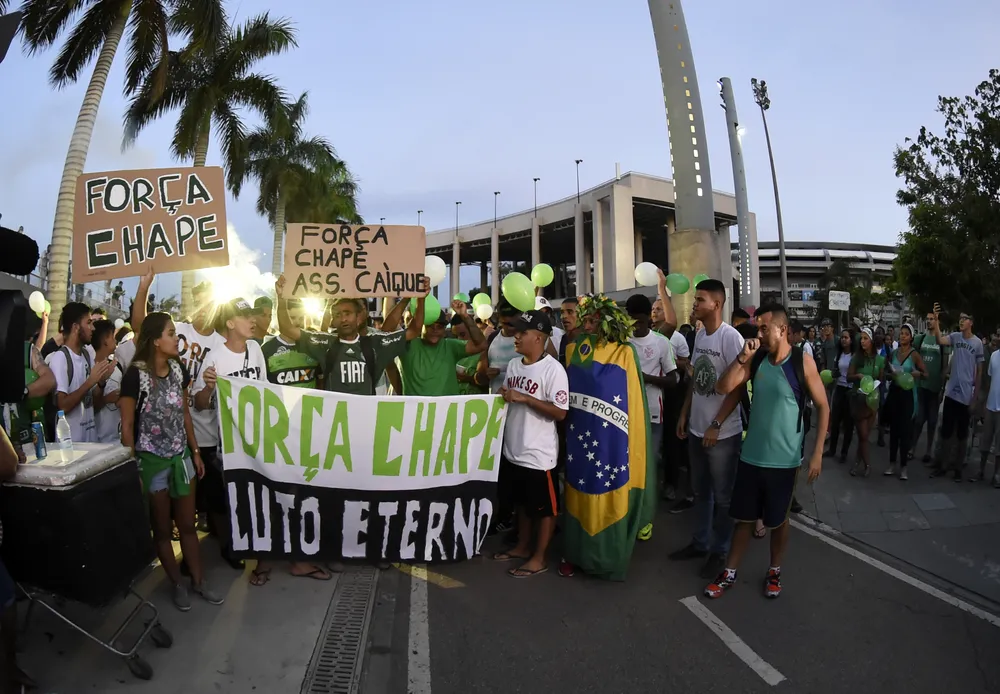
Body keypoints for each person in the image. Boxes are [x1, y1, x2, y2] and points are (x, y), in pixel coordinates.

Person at [705, 304, 827, 599]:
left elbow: (824, 406)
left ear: (782, 330)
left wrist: (818, 452)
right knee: (744, 519)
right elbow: (724, 388)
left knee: (777, 521)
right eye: (756, 328)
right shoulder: (756, 359)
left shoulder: (802, 362)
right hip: (751, 456)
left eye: (763, 328)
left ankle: (774, 570)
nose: (757, 334)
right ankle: (729, 572)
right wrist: (741, 358)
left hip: (784, 462)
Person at [119, 312, 224, 611]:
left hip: (181, 459)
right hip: (151, 464)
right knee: (163, 530)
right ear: (155, 341)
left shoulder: (179, 370)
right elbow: (127, 427)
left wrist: (194, 451)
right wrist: (133, 467)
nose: (176, 338)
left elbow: (185, 414)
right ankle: (177, 583)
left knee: (188, 526)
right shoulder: (134, 375)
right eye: (170, 333)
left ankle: (199, 582)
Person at [669, 279, 745, 580]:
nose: (694, 305)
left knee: (724, 497)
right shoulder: (700, 336)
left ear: (717, 303)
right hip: (697, 429)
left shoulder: (731, 338)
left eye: (700, 300)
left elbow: (738, 389)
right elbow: (697, 380)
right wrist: (685, 413)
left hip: (722, 435)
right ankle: (701, 542)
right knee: (701, 492)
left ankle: (720, 551)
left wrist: (716, 424)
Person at [492, 310, 569, 578]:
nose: (516, 336)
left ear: (538, 337)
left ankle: (540, 557)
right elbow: (510, 394)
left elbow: (560, 412)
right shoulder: (514, 365)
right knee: (522, 504)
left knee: (545, 509)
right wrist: (506, 394)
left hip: (539, 454)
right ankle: (523, 547)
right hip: (514, 449)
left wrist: (525, 398)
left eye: (522, 332)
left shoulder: (553, 370)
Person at [273, 275, 415, 396]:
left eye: (348, 313)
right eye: (339, 315)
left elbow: (412, 333)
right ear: (334, 319)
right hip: (335, 418)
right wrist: (281, 298)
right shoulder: (326, 342)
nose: (344, 318)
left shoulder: (376, 340)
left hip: (370, 410)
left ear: (360, 315)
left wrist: (416, 299)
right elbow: (287, 328)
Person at [626, 293, 678, 537]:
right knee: (628, 464)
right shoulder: (622, 341)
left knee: (650, 464)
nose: (636, 326)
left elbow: (673, 379)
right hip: (624, 413)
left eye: (640, 320)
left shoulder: (660, 343)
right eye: (631, 321)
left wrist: (646, 379)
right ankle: (628, 512)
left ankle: (646, 518)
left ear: (649, 318)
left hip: (653, 414)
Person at [45, 303, 115, 444]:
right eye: (88, 323)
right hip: (72, 448)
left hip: (90, 443)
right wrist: (90, 382)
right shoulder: (60, 358)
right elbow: (62, 406)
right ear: (76, 327)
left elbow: (92, 405)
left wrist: (101, 382)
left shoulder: (87, 355)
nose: (93, 328)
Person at [929, 308, 985, 480]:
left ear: (971, 322)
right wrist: (937, 321)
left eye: (965, 318)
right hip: (951, 394)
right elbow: (939, 339)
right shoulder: (955, 337)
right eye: (960, 318)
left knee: (961, 435)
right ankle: (943, 466)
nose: (961, 321)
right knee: (946, 432)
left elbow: (979, 373)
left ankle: (958, 468)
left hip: (966, 396)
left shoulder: (977, 344)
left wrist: (975, 399)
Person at [399, 296, 487, 396]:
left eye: (440, 327)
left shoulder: (450, 346)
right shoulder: (408, 344)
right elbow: (388, 328)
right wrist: (406, 298)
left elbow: (481, 345)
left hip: (448, 410)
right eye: (430, 326)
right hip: (415, 410)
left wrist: (465, 316)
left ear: (444, 330)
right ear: (421, 326)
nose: (435, 330)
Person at [883, 324, 926, 479]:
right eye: (901, 334)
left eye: (906, 334)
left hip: (908, 395)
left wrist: (916, 374)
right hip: (895, 392)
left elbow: (925, 373)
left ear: (911, 337)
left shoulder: (914, 354)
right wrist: (891, 374)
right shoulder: (894, 353)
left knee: (905, 431)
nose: (902, 336)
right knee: (894, 431)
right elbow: (887, 372)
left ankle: (904, 467)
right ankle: (891, 463)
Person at [913, 311, 949, 464]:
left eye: (932, 319)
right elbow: (913, 357)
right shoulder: (920, 339)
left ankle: (928, 451)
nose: (929, 322)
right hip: (921, 386)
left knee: (932, 422)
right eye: (927, 319)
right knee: (918, 420)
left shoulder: (942, 341)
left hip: (935, 388)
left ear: (937, 321)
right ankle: (912, 448)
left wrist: (942, 388)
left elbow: (945, 367)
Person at [847, 328, 885, 477]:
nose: (862, 341)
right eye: (861, 338)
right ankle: (868, 464)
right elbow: (849, 377)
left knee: (865, 436)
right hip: (858, 400)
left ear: (871, 341)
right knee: (863, 435)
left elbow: (881, 380)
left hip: (872, 402)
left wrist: (875, 383)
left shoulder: (880, 359)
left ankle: (857, 463)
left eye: (865, 338)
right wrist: (858, 376)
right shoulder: (856, 357)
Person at [475, 299, 520, 395]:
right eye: (505, 323)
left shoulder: (530, 337)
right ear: (499, 319)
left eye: (513, 323)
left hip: (524, 405)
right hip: (498, 404)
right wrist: (486, 375)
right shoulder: (492, 338)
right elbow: (479, 377)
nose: (510, 327)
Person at [824, 330, 856, 463]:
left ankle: (844, 452)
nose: (843, 340)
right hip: (840, 388)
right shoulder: (839, 354)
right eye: (842, 337)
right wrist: (834, 374)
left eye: (846, 337)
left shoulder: (855, 356)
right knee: (835, 421)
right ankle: (832, 450)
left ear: (851, 340)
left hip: (851, 390)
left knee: (848, 424)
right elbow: (834, 370)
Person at [92, 319, 125, 444]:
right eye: (112, 336)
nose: (115, 340)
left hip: (117, 440)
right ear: (105, 340)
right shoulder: (89, 368)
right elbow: (89, 406)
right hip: (96, 442)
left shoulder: (117, 367)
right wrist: (106, 399)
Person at [977, 343, 1000, 486]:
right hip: (991, 405)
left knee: (999, 444)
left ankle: (997, 474)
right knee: (985, 440)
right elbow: (990, 381)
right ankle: (981, 469)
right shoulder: (994, 356)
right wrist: (983, 403)